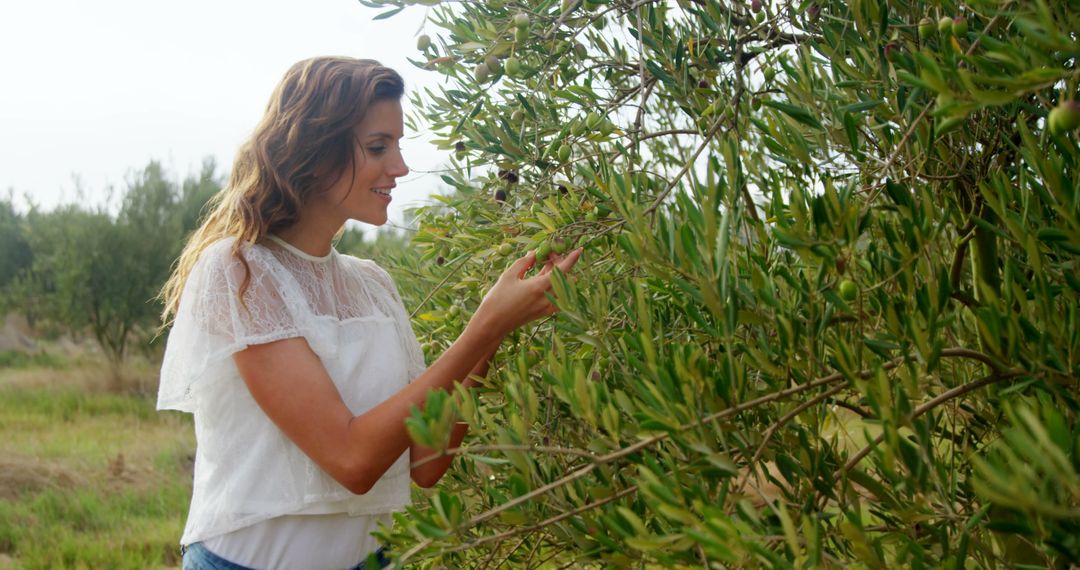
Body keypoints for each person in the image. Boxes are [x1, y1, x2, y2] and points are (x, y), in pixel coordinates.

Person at [156, 56, 583, 570]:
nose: (399, 167)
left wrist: (497, 330)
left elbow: (428, 459)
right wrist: (484, 324)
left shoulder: (371, 285)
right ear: (315, 150)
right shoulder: (239, 271)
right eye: (378, 147)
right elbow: (351, 460)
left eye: (397, 147)